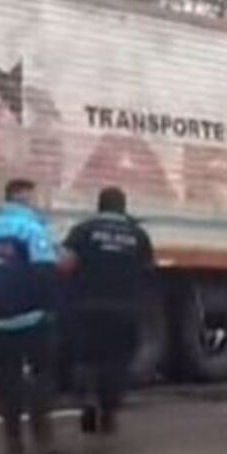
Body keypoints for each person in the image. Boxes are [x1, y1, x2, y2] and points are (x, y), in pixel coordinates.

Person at [0, 179, 61, 454]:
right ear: (23, 198)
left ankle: (13, 446)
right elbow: (45, 272)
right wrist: (51, 309)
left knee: (9, 381)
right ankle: (43, 441)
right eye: (32, 197)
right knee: (41, 375)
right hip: (30, 317)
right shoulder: (32, 230)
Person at [62, 187, 155, 436]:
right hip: (124, 309)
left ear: (99, 206)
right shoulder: (138, 235)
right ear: (123, 207)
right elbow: (147, 271)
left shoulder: (82, 231)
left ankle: (87, 399)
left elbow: (65, 264)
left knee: (86, 359)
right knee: (117, 361)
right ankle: (109, 412)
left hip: (86, 307)